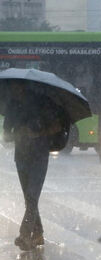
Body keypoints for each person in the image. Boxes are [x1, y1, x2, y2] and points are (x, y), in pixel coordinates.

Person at [3, 80, 64, 251]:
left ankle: (24, 235)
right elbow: (6, 134)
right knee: (29, 199)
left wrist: (37, 133)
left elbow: (57, 126)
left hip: (39, 156)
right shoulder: (13, 106)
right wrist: (17, 132)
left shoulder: (41, 104)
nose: (13, 90)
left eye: (15, 86)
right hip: (21, 157)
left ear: (22, 86)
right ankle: (38, 234)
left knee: (31, 196)